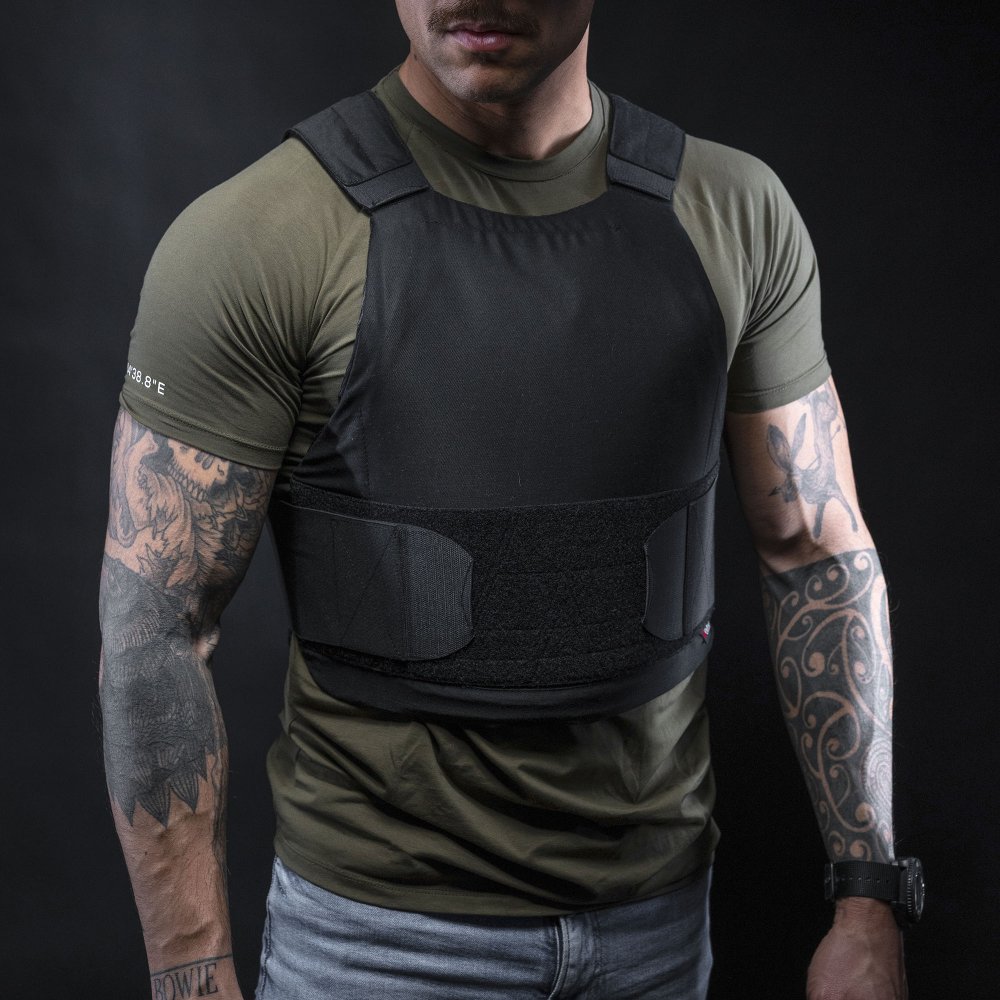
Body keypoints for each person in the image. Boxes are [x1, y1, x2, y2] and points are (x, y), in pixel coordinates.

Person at [99, 2, 918, 997]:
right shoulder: (256, 237)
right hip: (378, 947)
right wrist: (191, 979)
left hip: (657, 932)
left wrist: (868, 895)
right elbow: (154, 629)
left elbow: (815, 552)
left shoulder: (733, 211)